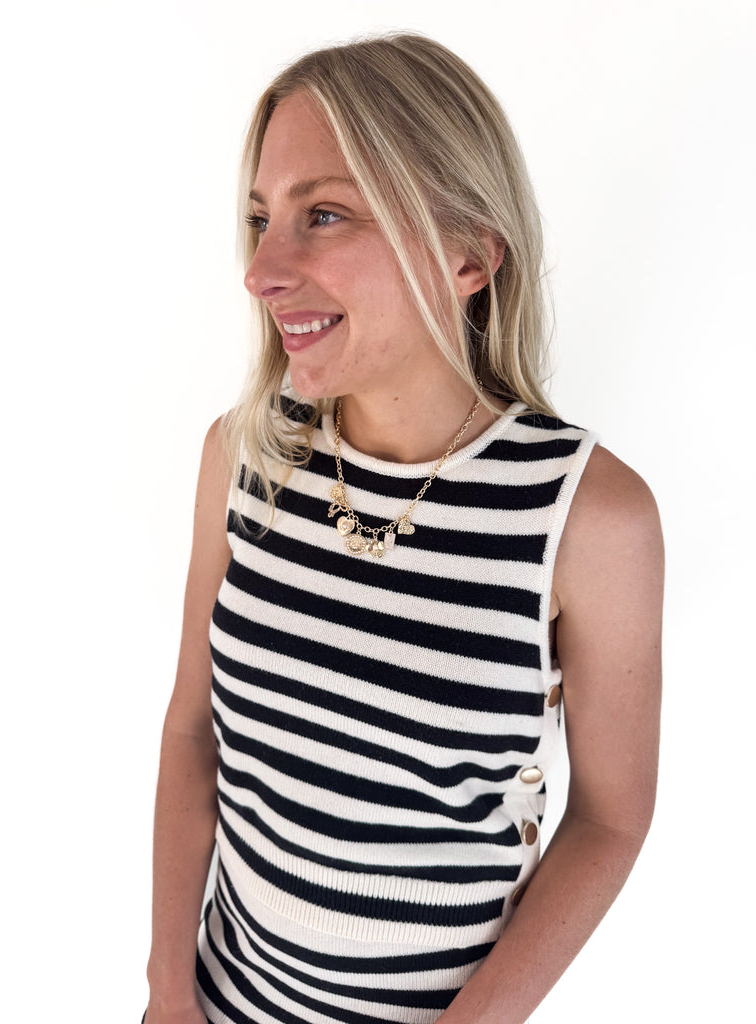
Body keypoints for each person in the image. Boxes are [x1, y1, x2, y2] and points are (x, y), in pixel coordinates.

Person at [144, 33, 663, 1024]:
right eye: (261, 219)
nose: (261, 270)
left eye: (322, 214)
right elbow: (190, 727)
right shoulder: (245, 455)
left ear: (468, 254)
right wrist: (169, 990)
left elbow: (610, 817)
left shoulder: (588, 517)